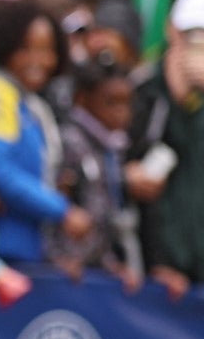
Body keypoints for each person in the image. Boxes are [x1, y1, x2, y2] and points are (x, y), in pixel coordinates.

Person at [126, 0, 204, 297]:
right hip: (149, 262)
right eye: (190, 36)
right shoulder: (142, 86)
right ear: (172, 31)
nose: (198, 49)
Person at [0, 0, 92, 263]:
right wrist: (62, 211)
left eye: (47, 50)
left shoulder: (26, 101)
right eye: (26, 49)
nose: (39, 61)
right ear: (2, 46)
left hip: (26, 250)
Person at [47, 60, 142, 292]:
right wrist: (56, 257)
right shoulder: (67, 142)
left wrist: (109, 263)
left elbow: (103, 212)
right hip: (59, 272)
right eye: (111, 102)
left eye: (127, 103)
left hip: (91, 270)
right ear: (82, 99)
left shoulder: (113, 148)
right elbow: (52, 203)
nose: (122, 113)